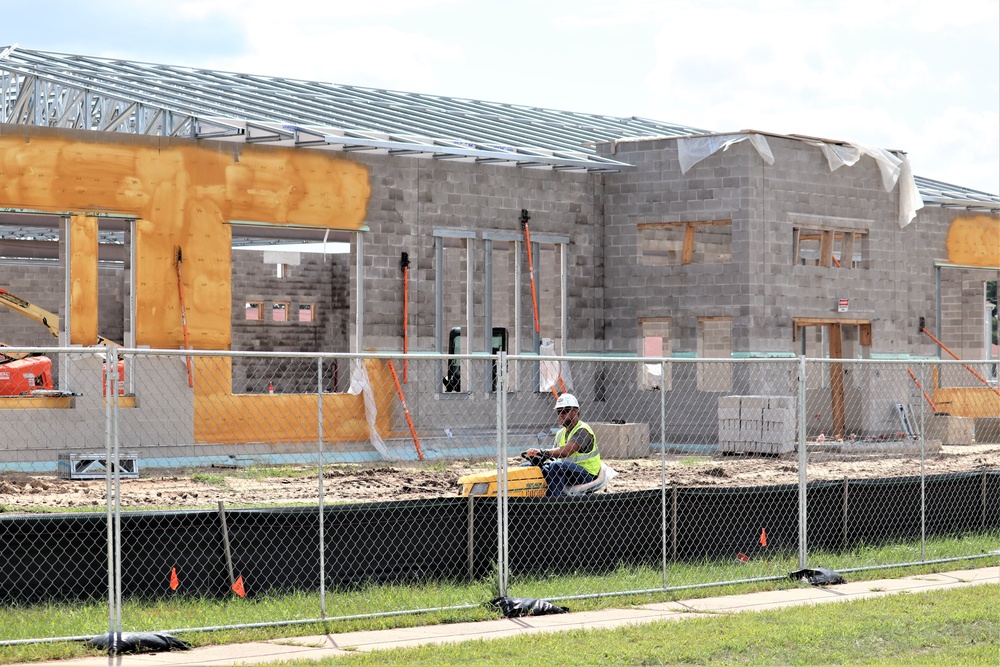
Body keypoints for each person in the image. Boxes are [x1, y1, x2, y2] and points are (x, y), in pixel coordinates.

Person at [525, 393, 602, 497]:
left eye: (564, 411)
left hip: (586, 473)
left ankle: (553, 502)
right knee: (528, 467)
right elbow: (554, 457)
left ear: (575, 412)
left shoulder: (582, 430)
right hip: (567, 470)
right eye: (558, 412)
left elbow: (566, 451)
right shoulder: (560, 433)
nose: (561, 415)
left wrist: (544, 452)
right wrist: (539, 459)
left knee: (556, 467)